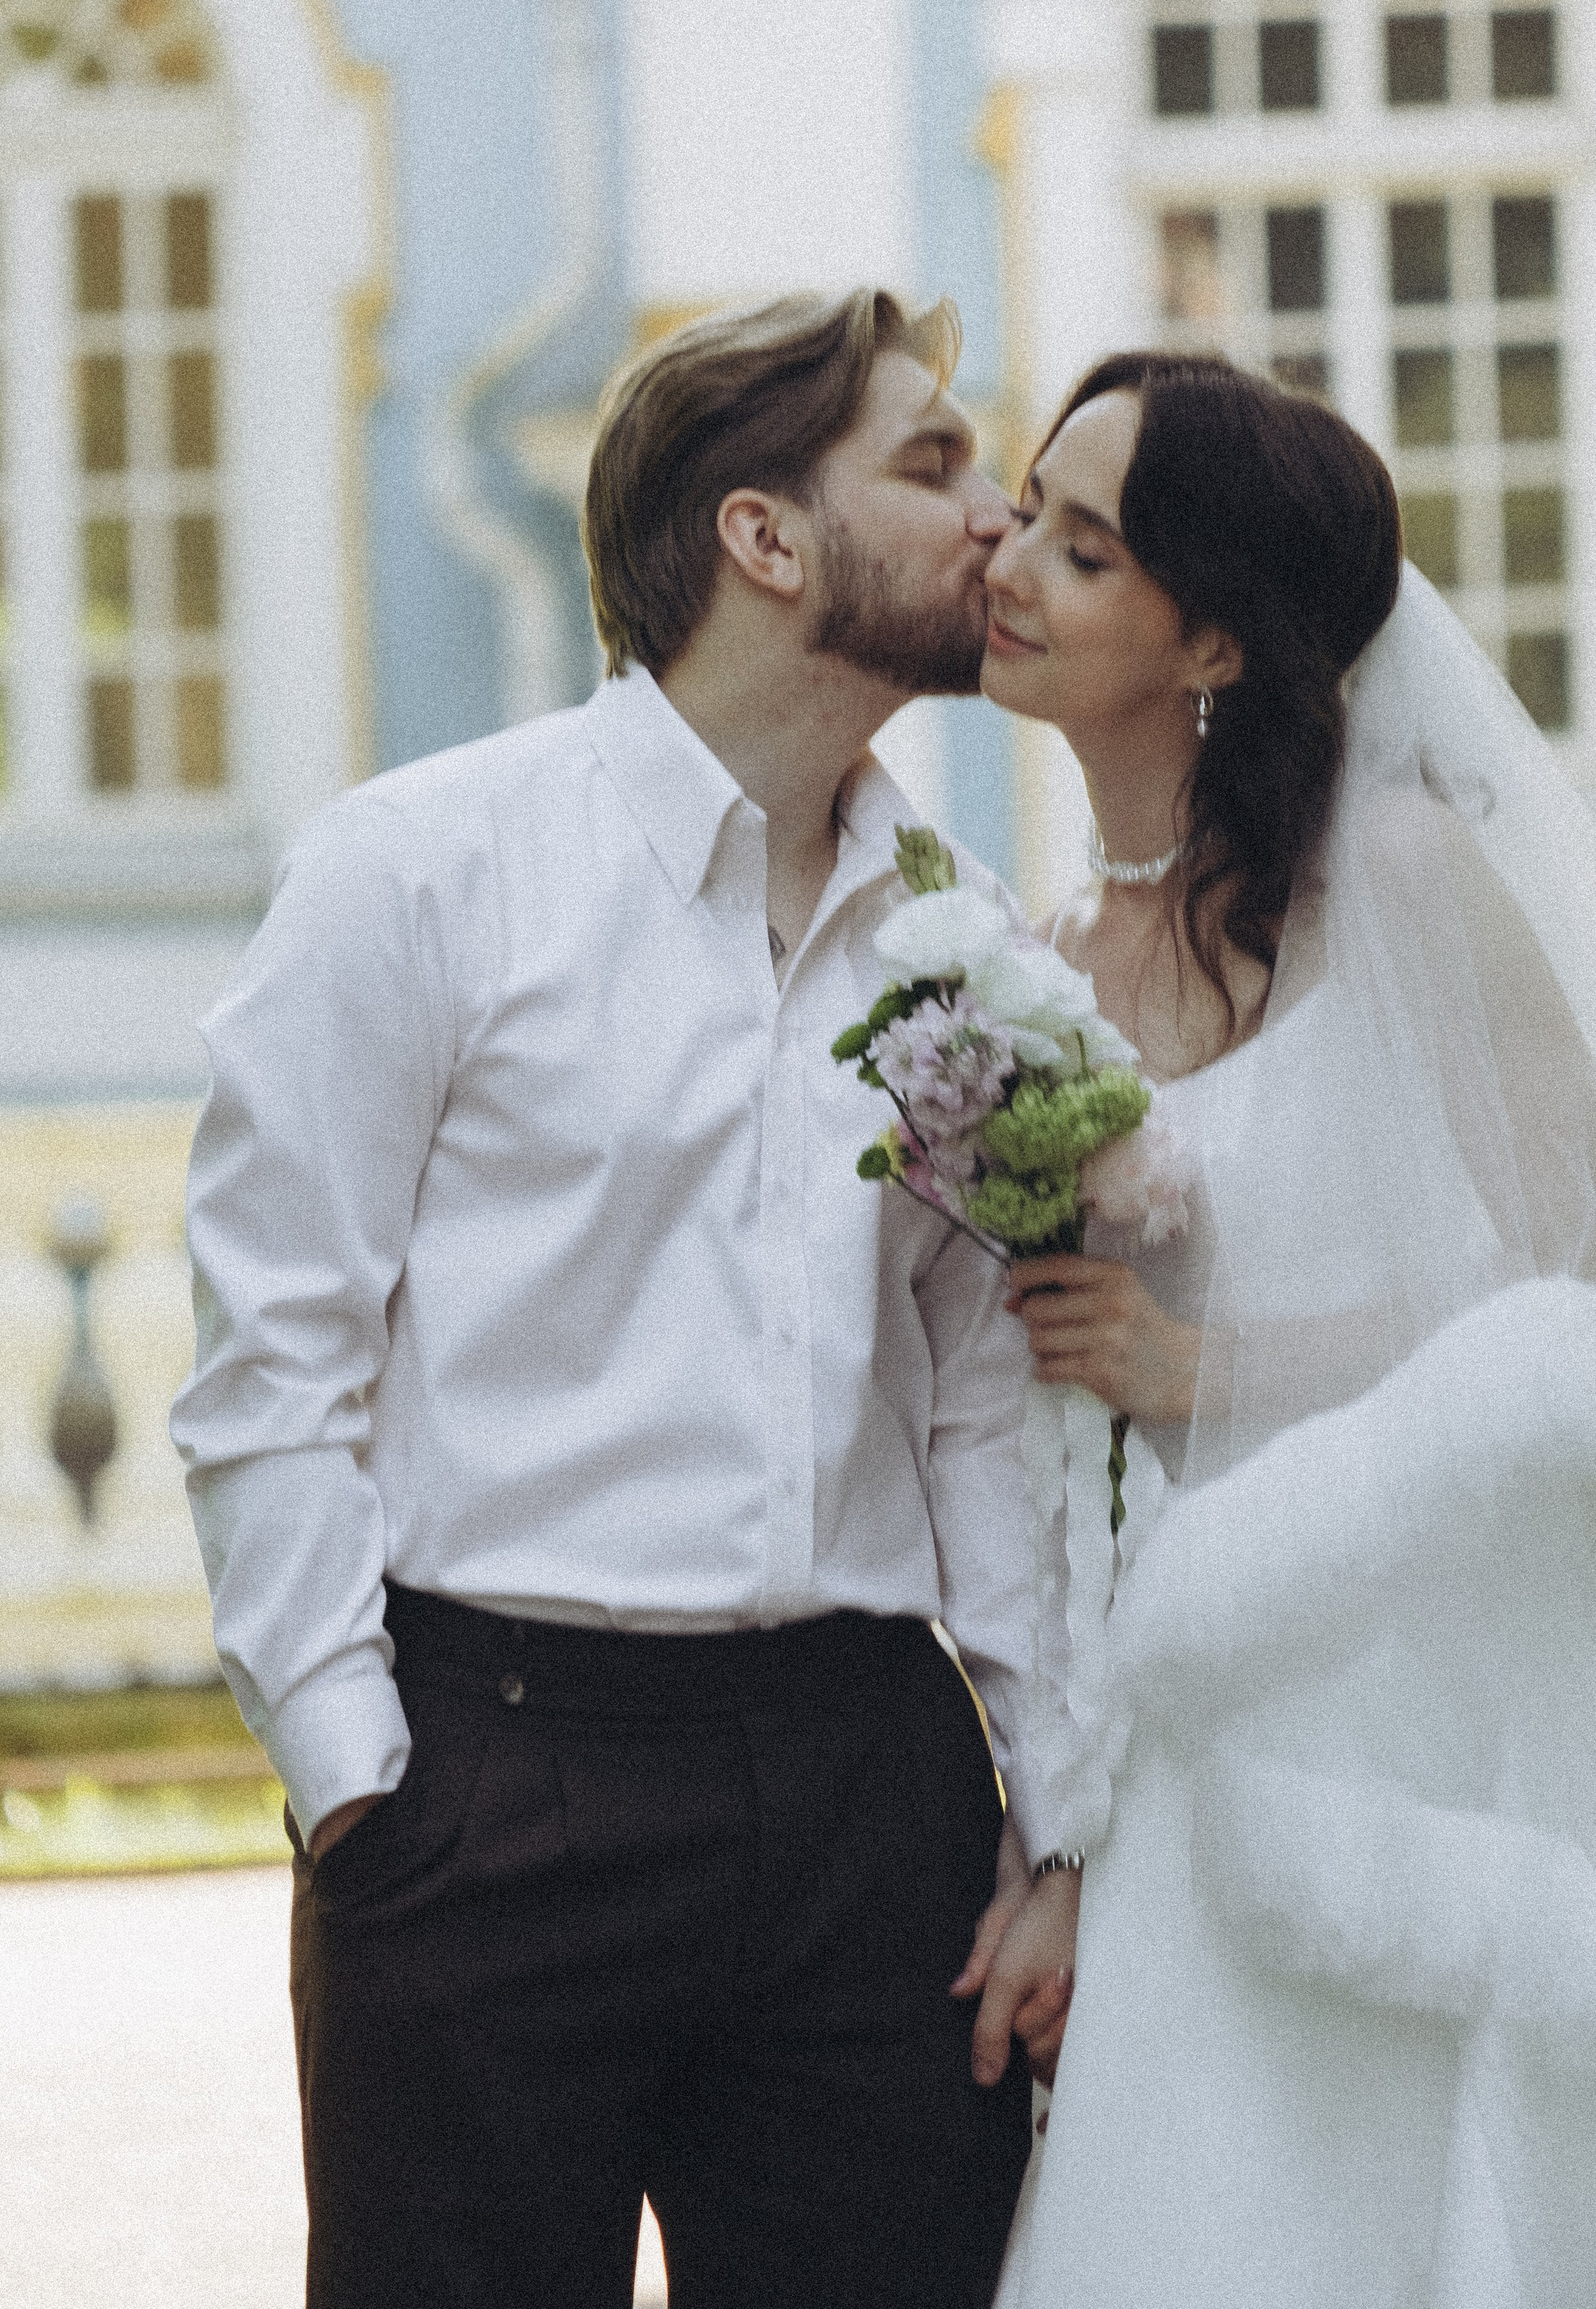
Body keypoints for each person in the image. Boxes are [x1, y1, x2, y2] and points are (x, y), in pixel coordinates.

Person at [171, 288, 1078, 2309]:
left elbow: (977, 1400)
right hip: (492, 1788)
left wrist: (1055, 1812)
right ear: (765, 539)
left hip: (873, 1810)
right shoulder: (416, 873)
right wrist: (357, 1793)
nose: (997, 517)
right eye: (933, 465)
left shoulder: (960, 937)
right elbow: (274, 1362)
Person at [972, 353, 1596, 2305]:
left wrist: (1221, 1367)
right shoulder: (1026, 976)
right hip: (1187, 1723)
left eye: (1080, 545)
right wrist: (1062, 1837)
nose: (1009, 562)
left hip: (1430, 1692)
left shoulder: (1408, 874)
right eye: (1026, 510)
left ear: (1207, 637)